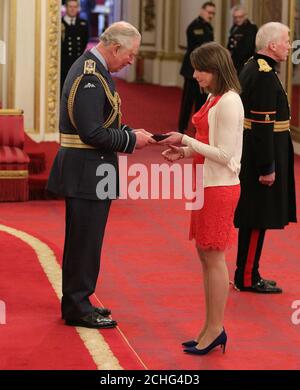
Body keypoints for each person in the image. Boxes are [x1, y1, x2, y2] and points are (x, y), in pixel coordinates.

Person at [47, 21, 154, 328]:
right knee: (84, 242)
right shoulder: (90, 75)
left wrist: (128, 132)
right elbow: (92, 132)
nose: (131, 61)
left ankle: (79, 301)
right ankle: (78, 307)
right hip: (86, 170)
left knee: (85, 241)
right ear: (116, 47)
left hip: (91, 168)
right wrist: (131, 140)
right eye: (130, 54)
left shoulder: (95, 69)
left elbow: (101, 122)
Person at [160, 42, 244, 355]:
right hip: (205, 184)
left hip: (219, 187)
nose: (195, 75)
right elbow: (211, 144)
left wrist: (186, 139)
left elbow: (226, 155)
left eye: (200, 69)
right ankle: (209, 327)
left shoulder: (230, 102)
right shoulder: (214, 97)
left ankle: (216, 328)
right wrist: (185, 151)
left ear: (217, 69)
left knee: (214, 257)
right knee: (205, 257)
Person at [234, 22, 297, 293]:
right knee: (257, 217)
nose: (288, 46)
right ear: (272, 45)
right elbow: (262, 127)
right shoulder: (262, 74)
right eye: (285, 41)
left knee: (256, 217)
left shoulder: (258, 67)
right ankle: (247, 277)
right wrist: (267, 166)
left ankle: (251, 271)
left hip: (263, 149)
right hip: (263, 155)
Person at [178, 1, 216, 134]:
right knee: (188, 101)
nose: (211, 15)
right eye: (209, 12)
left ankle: (198, 126)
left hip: (203, 68)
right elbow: (199, 49)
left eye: (213, 13)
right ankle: (182, 127)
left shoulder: (208, 27)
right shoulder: (195, 27)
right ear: (202, 11)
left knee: (201, 99)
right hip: (192, 70)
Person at [61, 0, 89, 91]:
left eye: (75, 7)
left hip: (77, 62)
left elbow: (84, 42)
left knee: (77, 89)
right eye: (70, 6)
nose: (73, 9)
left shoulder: (83, 24)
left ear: (78, 8)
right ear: (66, 7)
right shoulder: (59, 23)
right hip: (63, 64)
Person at [227, 5, 258, 74]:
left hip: (245, 64)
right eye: (235, 17)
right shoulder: (234, 27)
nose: (238, 19)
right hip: (234, 63)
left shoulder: (251, 28)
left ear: (245, 16)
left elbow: (248, 48)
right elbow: (230, 43)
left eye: (240, 17)